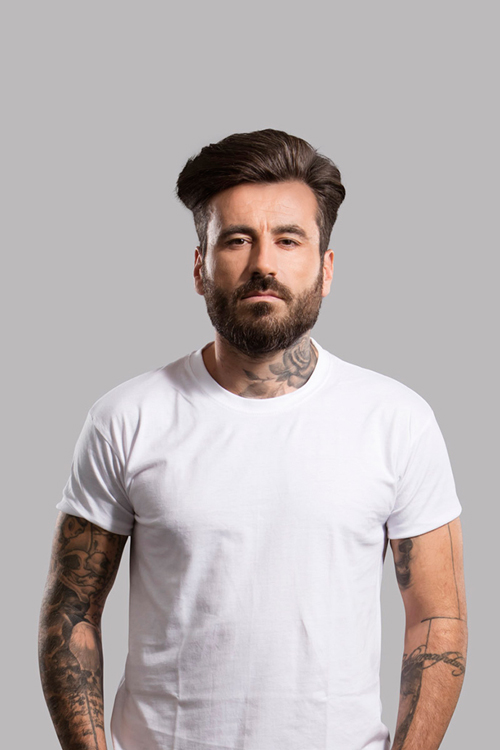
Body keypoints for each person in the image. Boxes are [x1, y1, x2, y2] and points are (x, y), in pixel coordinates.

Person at [38, 129, 467, 750]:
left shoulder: (397, 420)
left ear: (325, 268)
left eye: (288, 239)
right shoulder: (126, 418)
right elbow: (71, 610)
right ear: (199, 266)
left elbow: (437, 618)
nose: (264, 262)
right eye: (237, 239)